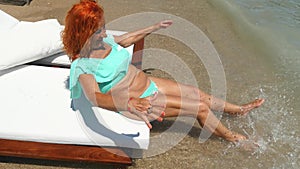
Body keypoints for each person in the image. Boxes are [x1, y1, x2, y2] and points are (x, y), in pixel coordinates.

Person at [62, 0, 264, 143]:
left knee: (196, 93)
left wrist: (154, 26)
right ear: (84, 33)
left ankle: (238, 110)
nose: (105, 33)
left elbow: (126, 39)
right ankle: (234, 139)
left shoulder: (103, 41)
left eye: (104, 27)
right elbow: (95, 97)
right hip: (139, 102)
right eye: (99, 30)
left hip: (148, 83)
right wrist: (130, 103)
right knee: (200, 108)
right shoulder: (83, 65)